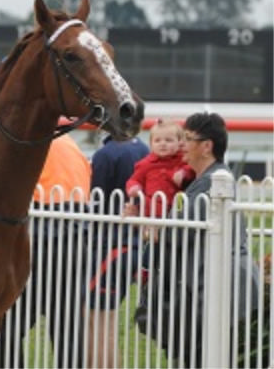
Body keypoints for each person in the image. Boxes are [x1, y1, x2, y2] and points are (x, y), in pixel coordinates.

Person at [140, 112, 259, 367]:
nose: (181, 145)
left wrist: (156, 228)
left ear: (207, 146)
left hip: (214, 291)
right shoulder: (202, 182)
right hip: (207, 289)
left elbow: (180, 233)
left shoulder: (212, 184)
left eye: (188, 139)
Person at [0, 135, 91, 368]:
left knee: (7, 324)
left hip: (40, 237)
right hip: (74, 241)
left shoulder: (30, 141)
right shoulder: (70, 143)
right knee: (67, 326)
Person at [85, 133, 149, 368]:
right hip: (134, 244)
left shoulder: (105, 154)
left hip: (111, 245)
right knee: (106, 321)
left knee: (99, 323)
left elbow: (94, 201)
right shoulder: (144, 149)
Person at [125, 119, 195, 218]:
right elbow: (134, 179)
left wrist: (184, 172)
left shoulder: (183, 160)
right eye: (157, 140)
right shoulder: (146, 164)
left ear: (179, 142)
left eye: (168, 140)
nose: (163, 144)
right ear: (151, 144)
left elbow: (192, 170)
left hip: (176, 212)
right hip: (151, 212)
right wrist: (134, 187)